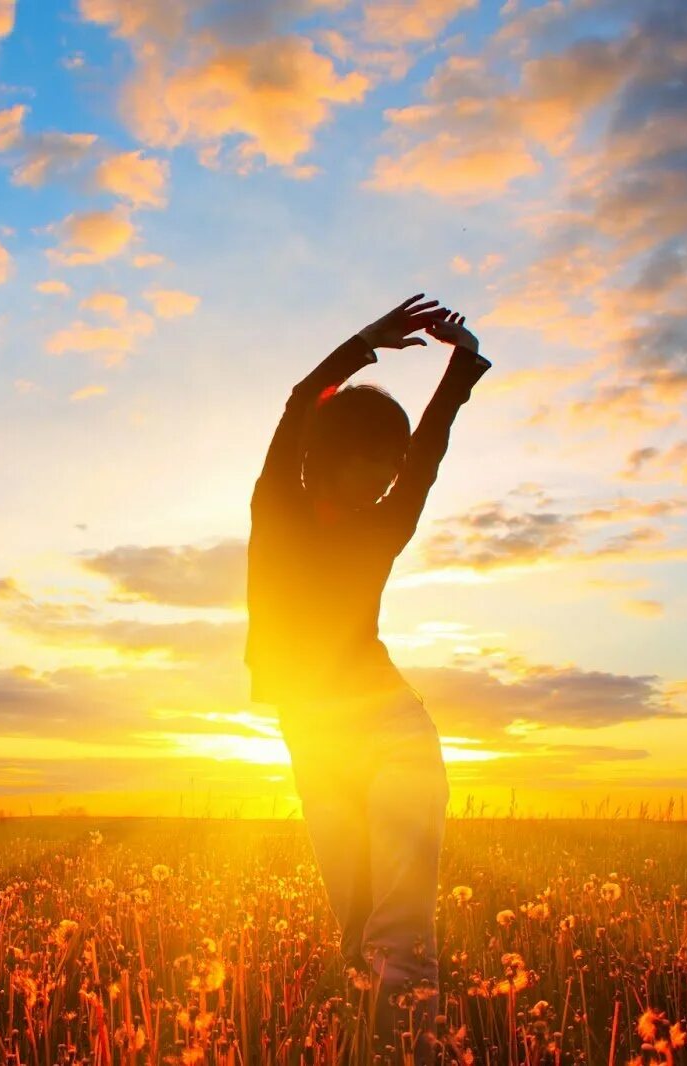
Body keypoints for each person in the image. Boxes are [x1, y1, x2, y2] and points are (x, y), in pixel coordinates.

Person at [244, 294, 491, 1062]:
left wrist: (461, 366)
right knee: (356, 924)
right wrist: (362, 344)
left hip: (392, 730)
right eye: (370, 461)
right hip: (316, 736)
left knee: (402, 932)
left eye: (390, 465)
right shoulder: (278, 505)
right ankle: (374, 1041)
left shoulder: (387, 521)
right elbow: (298, 405)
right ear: (326, 454)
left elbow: (429, 453)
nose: (386, 477)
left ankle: (414, 1049)